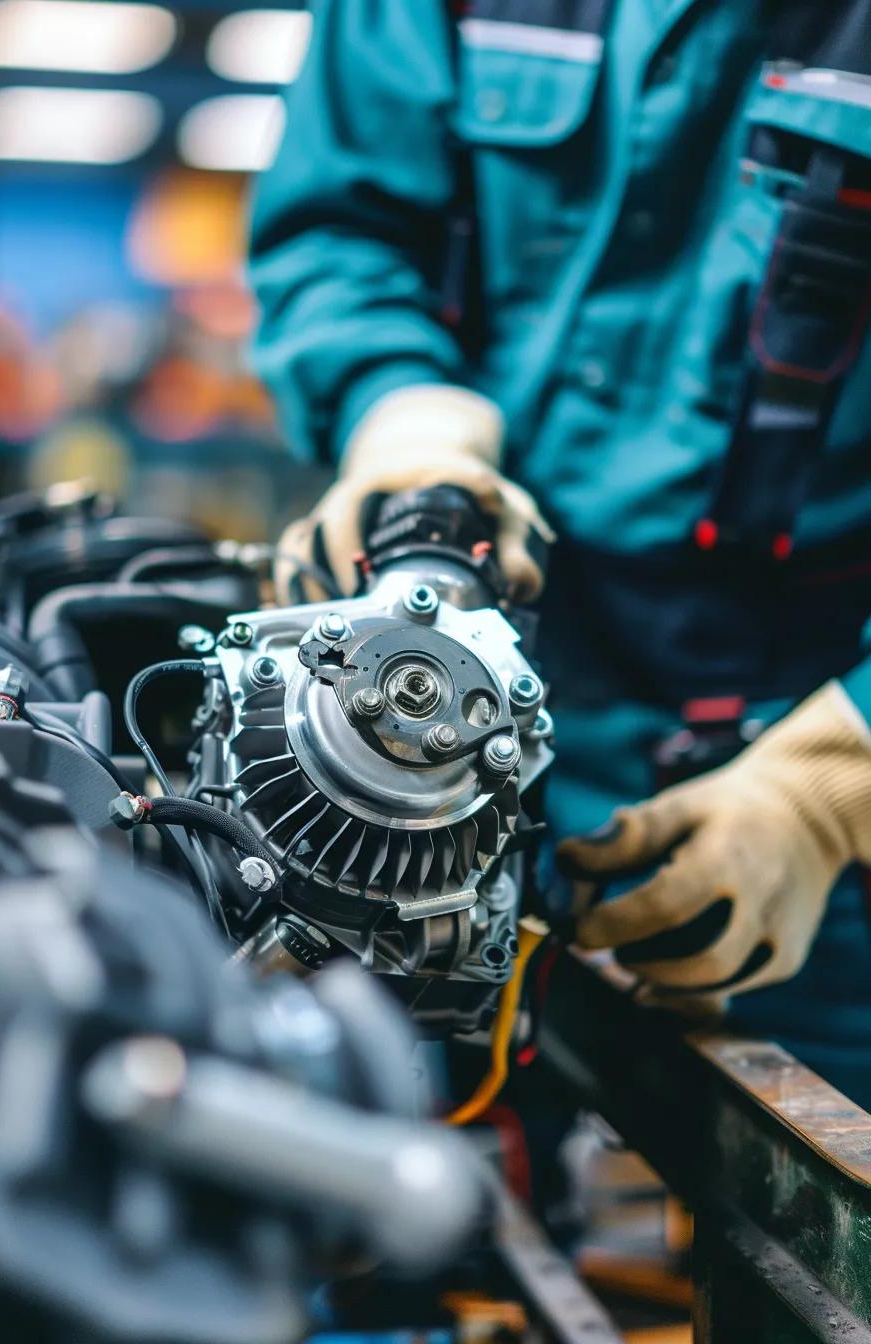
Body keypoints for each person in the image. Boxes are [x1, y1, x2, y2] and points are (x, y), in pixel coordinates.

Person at [250, 1, 871, 1102]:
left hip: (812, 760)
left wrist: (832, 781)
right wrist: (400, 409)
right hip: (479, 688)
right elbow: (344, 229)